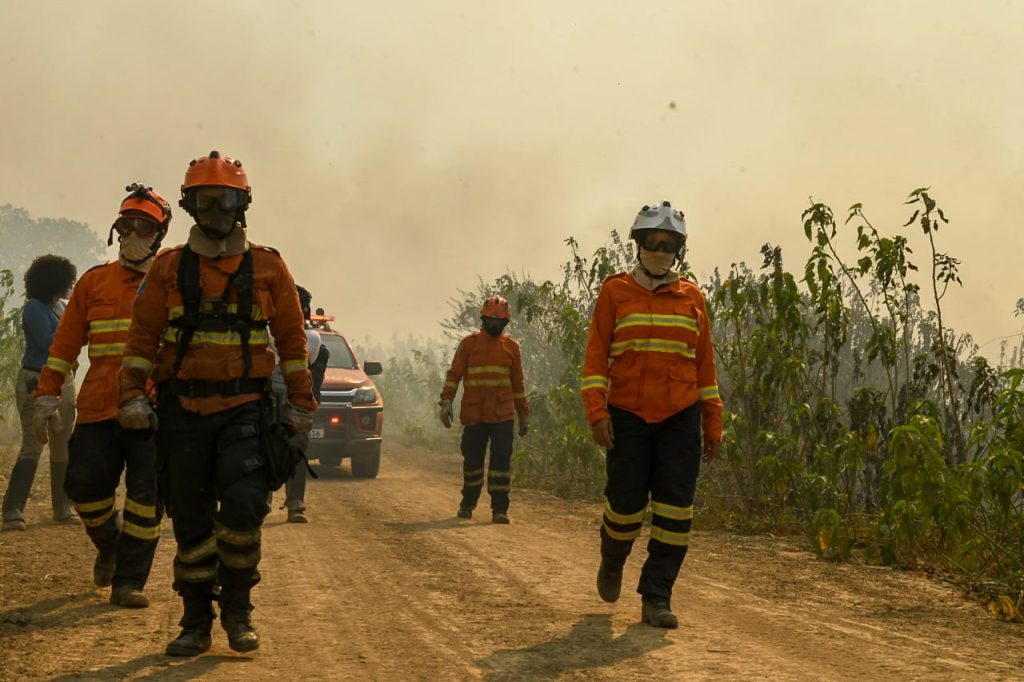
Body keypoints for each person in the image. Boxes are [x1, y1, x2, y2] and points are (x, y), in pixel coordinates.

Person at [118, 150, 314, 656]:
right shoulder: (168, 269)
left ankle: (239, 610)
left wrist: (300, 408)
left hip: (245, 409)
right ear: (190, 206)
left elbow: (293, 342)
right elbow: (141, 339)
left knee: (246, 507)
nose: (216, 211)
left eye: (225, 200)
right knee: (190, 520)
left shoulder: (268, 265)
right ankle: (195, 620)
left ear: (241, 203)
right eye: (206, 201)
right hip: (182, 411)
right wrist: (132, 398)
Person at [580, 201, 723, 628]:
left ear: (679, 249)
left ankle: (656, 596)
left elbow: (706, 369)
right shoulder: (614, 292)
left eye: (669, 245)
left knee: (676, 511)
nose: (660, 251)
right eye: (653, 243)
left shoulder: (692, 297)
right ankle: (613, 557)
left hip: (680, 417)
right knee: (624, 507)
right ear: (639, 244)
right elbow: (594, 360)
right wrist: (597, 412)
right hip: (626, 415)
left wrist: (712, 422)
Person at [31, 184, 172, 607]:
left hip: (154, 410)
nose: (132, 234)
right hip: (98, 408)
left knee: (146, 500)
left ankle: (129, 581)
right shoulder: (94, 283)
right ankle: (109, 543)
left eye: (142, 227)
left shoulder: (174, 283)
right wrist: (46, 395)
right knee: (82, 485)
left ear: (160, 233)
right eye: (124, 226)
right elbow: (64, 348)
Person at [1, 256, 77, 531]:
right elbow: (49, 343)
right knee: (33, 444)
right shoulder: (33, 308)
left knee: (62, 441)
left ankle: (62, 507)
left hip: (63, 379)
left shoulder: (58, 306)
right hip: (36, 379)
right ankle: (13, 510)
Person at [438, 295, 529, 524]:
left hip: (502, 416)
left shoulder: (512, 348)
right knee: (472, 463)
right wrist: (446, 402)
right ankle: (467, 504)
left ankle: (500, 509)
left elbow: (518, 385)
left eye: (500, 321)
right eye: (491, 320)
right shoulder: (468, 345)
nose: (496, 325)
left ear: (506, 323)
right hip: (474, 414)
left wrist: (523, 414)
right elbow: (454, 375)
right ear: (483, 319)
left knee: (501, 463)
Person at [277, 285, 328, 523]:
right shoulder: (312, 337)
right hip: (293, 401)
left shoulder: (310, 337)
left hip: (286, 400)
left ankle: (280, 502)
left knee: (277, 449)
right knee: (294, 450)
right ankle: (294, 504)